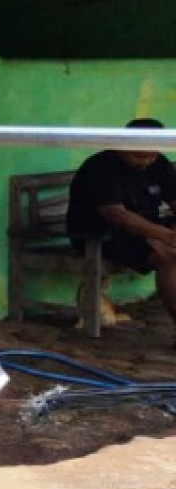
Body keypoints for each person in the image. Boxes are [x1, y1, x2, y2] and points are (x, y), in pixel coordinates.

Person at [66, 117, 176, 330]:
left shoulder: (158, 163)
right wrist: (166, 236)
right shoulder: (100, 168)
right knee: (169, 257)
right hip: (101, 235)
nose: (146, 161)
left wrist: (167, 232)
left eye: (152, 155)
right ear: (124, 144)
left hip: (145, 230)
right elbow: (116, 216)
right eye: (139, 156)